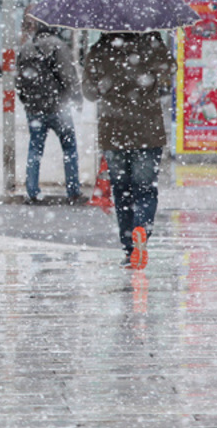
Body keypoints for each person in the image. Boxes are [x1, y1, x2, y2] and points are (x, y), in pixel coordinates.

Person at [81, 31, 175, 269]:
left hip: (114, 131)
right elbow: (169, 74)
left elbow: (89, 94)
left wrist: (105, 83)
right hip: (148, 131)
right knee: (145, 190)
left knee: (122, 192)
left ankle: (128, 248)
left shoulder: (98, 50)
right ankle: (141, 229)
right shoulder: (152, 44)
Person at [15, 18, 83, 203]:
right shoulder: (59, 46)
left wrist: (27, 101)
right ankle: (73, 191)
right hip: (58, 107)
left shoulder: (26, 48)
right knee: (69, 148)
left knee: (35, 149)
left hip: (34, 109)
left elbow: (19, 81)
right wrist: (77, 100)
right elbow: (69, 77)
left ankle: (32, 191)